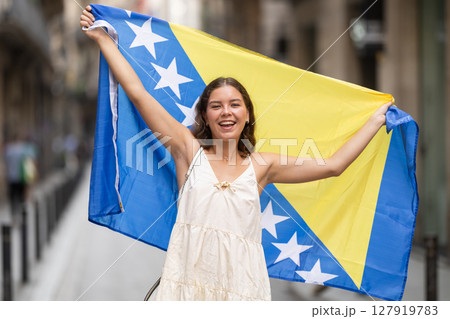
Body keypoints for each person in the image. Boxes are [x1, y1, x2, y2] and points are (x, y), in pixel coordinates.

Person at [80, 6, 392, 301]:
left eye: (234, 105)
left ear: (247, 115)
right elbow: (137, 92)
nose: (225, 112)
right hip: (186, 288)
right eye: (216, 106)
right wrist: (103, 39)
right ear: (204, 115)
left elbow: (333, 166)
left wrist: (375, 120)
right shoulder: (186, 151)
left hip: (243, 290)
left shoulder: (263, 165)